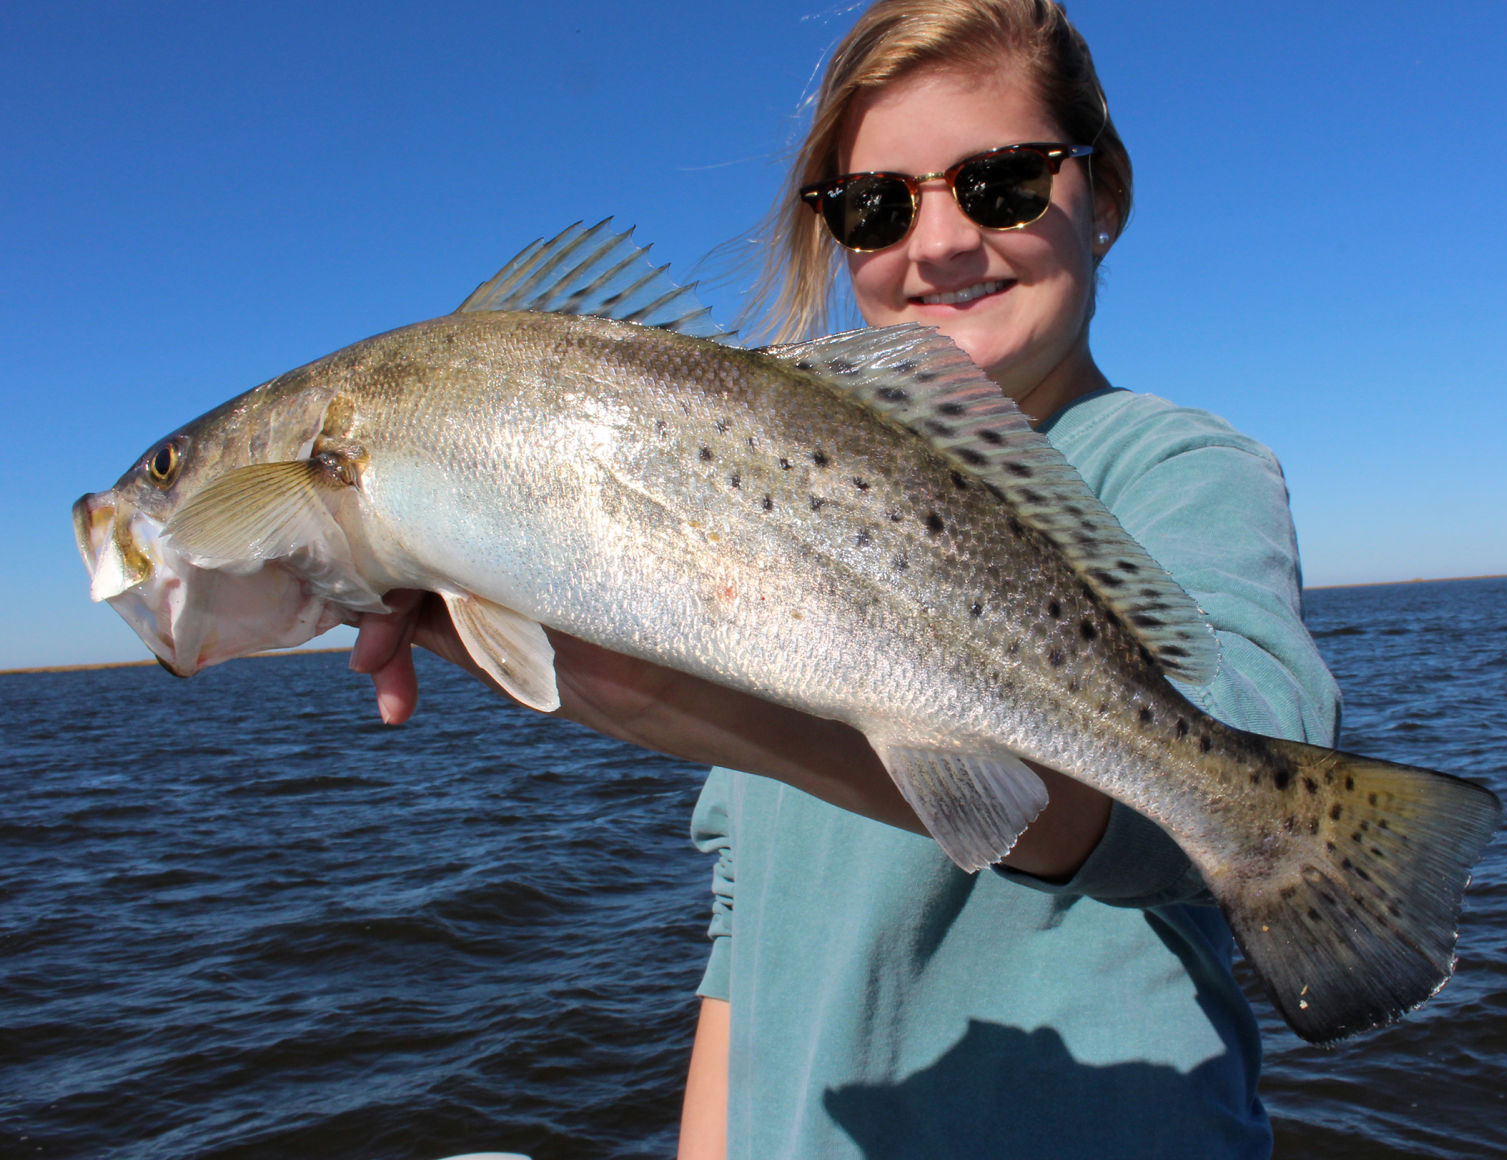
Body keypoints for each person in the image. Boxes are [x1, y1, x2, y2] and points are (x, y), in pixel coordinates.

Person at [351, 1, 1340, 1155]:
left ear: (1101, 194)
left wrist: (687, 711)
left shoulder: (1175, 464)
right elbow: (746, 935)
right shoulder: (741, 519)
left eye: (1002, 183)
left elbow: (1226, 771)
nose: (937, 245)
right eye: (873, 208)